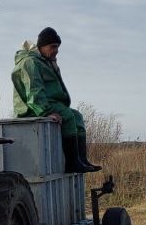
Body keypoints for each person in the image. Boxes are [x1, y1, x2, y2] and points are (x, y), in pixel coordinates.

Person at [11, 27, 101, 173]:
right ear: (42, 46)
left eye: (57, 47)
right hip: (32, 108)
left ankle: (81, 160)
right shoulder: (30, 62)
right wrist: (45, 112)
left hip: (50, 103)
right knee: (68, 116)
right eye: (53, 46)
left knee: (77, 116)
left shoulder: (45, 61)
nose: (56, 50)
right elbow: (34, 91)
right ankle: (72, 163)